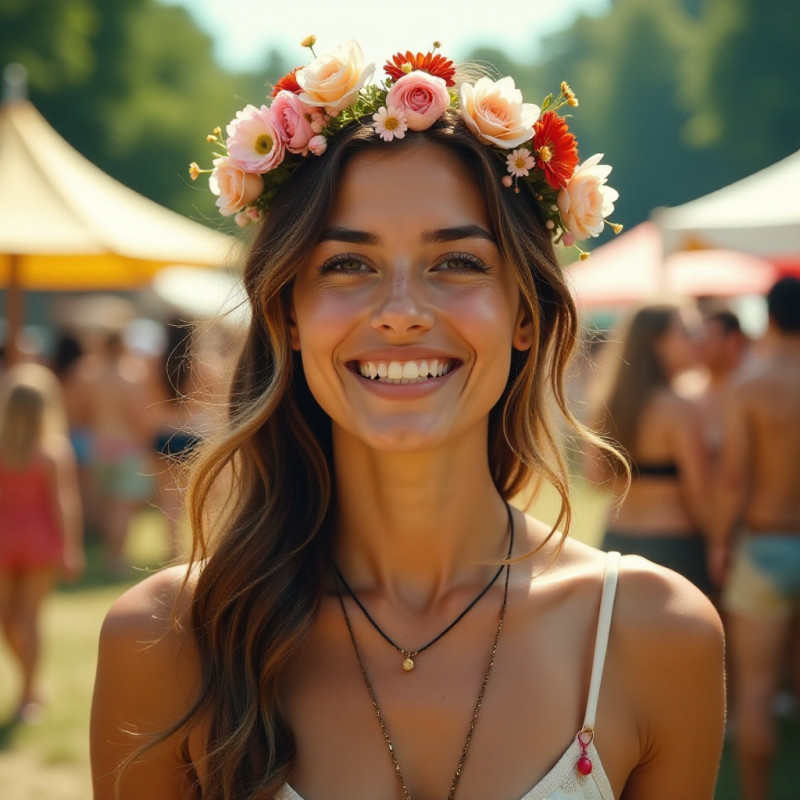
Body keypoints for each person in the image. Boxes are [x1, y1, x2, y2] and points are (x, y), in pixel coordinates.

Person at [90, 39, 724, 800]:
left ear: (526, 314)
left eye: (456, 263)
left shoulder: (654, 635)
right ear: (288, 313)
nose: (399, 314)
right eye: (347, 264)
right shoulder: (165, 642)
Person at [710, 276, 800, 800]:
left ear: (769, 317)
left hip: (764, 549)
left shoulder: (748, 385)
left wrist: (721, 543)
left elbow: (733, 478)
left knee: (757, 693)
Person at [582, 302, 714, 594]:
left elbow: (595, 480)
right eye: (686, 332)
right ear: (658, 341)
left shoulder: (607, 403)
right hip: (673, 547)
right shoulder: (678, 408)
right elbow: (699, 490)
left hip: (615, 543)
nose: (697, 340)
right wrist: (719, 543)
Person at [0, 363, 84, 722]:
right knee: (29, 620)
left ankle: (29, 688)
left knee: (8, 620)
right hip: (39, 542)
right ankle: (29, 692)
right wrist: (70, 546)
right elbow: (65, 504)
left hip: (4, 541)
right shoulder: (53, 450)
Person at [84, 329, 156, 574]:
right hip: (127, 445)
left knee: (109, 504)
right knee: (123, 505)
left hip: (101, 444)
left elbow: (86, 411)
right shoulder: (131, 376)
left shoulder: (94, 375)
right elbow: (137, 414)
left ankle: (110, 555)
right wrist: (146, 440)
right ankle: (117, 558)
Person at [693, 309, 748, 467]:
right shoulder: (690, 390)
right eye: (699, 337)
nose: (699, 344)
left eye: (708, 338)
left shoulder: (752, 390)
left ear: (733, 341)